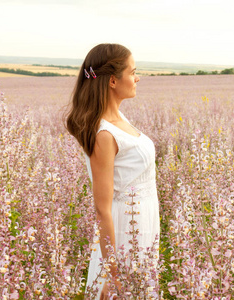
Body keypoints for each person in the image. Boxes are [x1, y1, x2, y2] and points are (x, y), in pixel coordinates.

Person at [66, 43, 160, 299]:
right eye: (132, 72)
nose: (137, 77)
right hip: (124, 230)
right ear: (113, 81)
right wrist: (112, 271)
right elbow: (102, 208)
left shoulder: (121, 120)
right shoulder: (104, 134)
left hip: (143, 222)